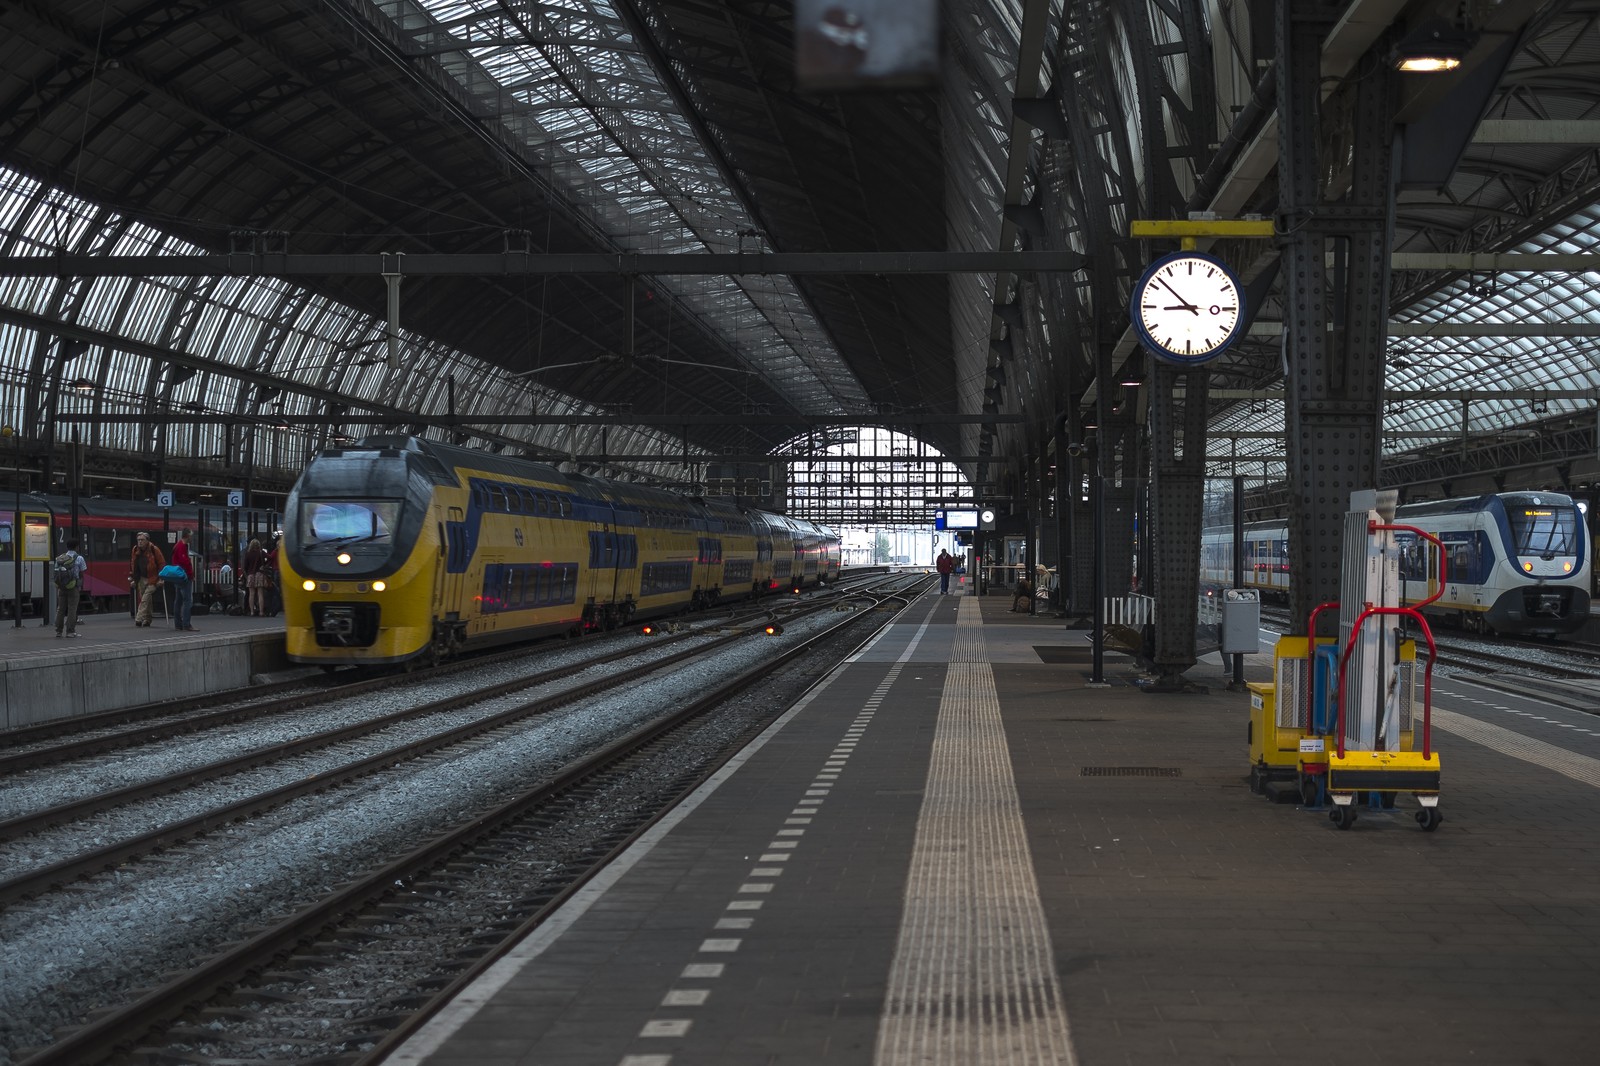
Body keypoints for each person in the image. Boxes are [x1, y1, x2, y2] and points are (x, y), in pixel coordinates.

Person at [128, 531, 165, 627]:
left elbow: (161, 564)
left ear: (147, 541)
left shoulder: (154, 549)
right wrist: (133, 578)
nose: (140, 542)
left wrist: (161, 578)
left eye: (142, 540)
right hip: (141, 578)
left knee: (145, 597)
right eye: (138, 540)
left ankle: (139, 617)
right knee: (146, 599)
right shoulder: (135, 550)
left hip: (153, 578)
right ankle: (147, 620)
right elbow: (133, 564)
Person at [53, 537, 88, 637]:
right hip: (73, 586)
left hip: (61, 587)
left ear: (67, 547)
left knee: (60, 609)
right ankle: (70, 631)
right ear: (77, 547)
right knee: (72, 609)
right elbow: (82, 572)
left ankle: (58, 631)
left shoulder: (60, 558)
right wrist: (80, 584)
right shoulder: (79, 558)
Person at [172, 527, 197, 631]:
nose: (192, 538)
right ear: (188, 536)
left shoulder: (177, 545)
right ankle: (186, 624)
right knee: (187, 600)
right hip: (184, 576)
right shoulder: (182, 546)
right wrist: (191, 575)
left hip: (177, 576)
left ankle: (178, 624)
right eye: (191, 536)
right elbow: (185, 562)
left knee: (178, 600)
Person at [243, 537, 268, 616]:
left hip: (251, 574)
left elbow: (245, 566)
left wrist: (247, 574)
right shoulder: (261, 553)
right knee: (260, 593)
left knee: (251, 593)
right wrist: (264, 566)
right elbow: (270, 558)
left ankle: (252, 612)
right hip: (260, 574)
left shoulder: (248, 553)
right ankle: (261, 612)